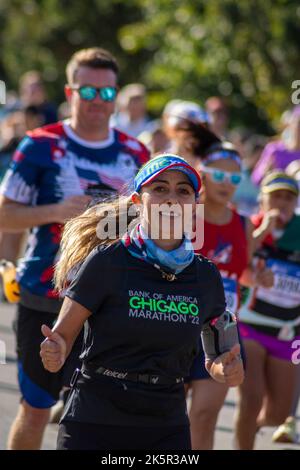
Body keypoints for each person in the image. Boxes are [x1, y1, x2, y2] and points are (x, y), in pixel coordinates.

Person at [40, 154, 244, 450]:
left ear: (195, 205)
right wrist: (55, 351)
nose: (171, 199)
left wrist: (225, 369)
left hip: (165, 423)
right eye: (160, 189)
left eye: (183, 191)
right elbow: (62, 335)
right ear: (138, 201)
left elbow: (215, 357)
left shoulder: (205, 275)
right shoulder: (108, 261)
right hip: (96, 417)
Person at [0, 47, 149, 450]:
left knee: (102, 416)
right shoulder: (39, 145)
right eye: (88, 91)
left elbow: (153, 224)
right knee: (36, 408)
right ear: (70, 91)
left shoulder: (136, 154)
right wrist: (56, 211)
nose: (97, 101)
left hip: (113, 301)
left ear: (115, 95)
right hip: (45, 293)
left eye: (106, 93)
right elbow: (4, 214)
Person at [185, 142, 273, 450]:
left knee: (205, 415)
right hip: (176, 326)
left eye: (235, 178)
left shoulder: (243, 223)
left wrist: (258, 277)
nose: (227, 183)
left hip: (222, 332)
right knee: (161, 417)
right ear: (203, 175)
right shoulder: (185, 215)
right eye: (219, 175)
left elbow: (242, 272)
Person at [235, 171, 300, 449]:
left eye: (288, 198)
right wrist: (262, 232)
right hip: (248, 325)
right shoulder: (250, 226)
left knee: (278, 415)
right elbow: (237, 259)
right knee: (251, 399)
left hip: (288, 330)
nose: (282, 203)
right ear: (262, 199)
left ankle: (252, 426)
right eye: (275, 196)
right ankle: (244, 438)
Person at [252, 106, 300, 186]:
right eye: (299, 123)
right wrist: (266, 171)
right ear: (291, 124)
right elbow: (256, 179)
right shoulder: (274, 149)